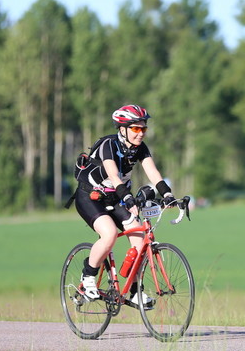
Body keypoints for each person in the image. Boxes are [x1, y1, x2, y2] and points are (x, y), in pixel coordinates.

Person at [69, 104, 176, 302]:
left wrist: (168, 194)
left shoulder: (139, 148)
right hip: (90, 196)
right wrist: (127, 196)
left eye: (143, 128)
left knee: (139, 239)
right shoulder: (108, 145)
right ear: (122, 129)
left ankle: (135, 291)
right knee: (109, 234)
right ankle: (88, 277)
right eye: (136, 128)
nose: (141, 133)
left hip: (115, 197)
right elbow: (113, 174)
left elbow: (152, 172)